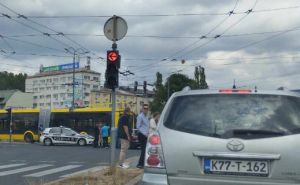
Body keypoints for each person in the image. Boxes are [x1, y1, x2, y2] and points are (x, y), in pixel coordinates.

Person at [136, 104, 150, 169]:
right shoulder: (140, 116)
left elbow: (147, 126)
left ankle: (143, 163)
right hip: (142, 135)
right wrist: (144, 134)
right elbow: (138, 127)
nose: (146, 110)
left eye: (147, 109)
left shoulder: (146, 116)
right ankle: (140, 164)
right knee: (143, 149)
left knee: (145, 150)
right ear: (142, 109)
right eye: (145, 108)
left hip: (146, 135)